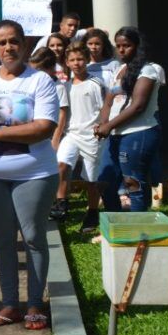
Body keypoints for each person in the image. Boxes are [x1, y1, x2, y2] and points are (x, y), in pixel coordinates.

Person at [0, 20, 60, 331]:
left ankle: (35, 304)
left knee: (33, 238)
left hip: (34, 174)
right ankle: (10, 304)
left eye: (14, 41)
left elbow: (44, 127)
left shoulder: (40, 82)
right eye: (2, 42)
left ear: (24, 45)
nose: (9, 47)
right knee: (2, 240)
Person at [95, 26, 164, 216]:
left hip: (139, 132)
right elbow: (108, 103)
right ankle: (115, 226)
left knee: (133, 182)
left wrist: (108, 126)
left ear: (137, 46)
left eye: (126, 45)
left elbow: (138, 106)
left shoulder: (149, 70)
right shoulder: (119, 70)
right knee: (105, 182)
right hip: (115, 134)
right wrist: (102, 123)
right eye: (118, 46)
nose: (121, 50)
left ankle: (137, 229)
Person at [51, 43, 105, 231]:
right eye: (72, 60)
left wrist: (102, 126)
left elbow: (105, 109)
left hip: (92, 137)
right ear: (66, 62)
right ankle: (61, 203)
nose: (76, 63)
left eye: (80, 59)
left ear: (87, 60)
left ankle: (92, 213)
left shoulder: (96, 83)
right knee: (61, 164)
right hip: (72, 134)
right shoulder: (64, 86)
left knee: (91, 179)